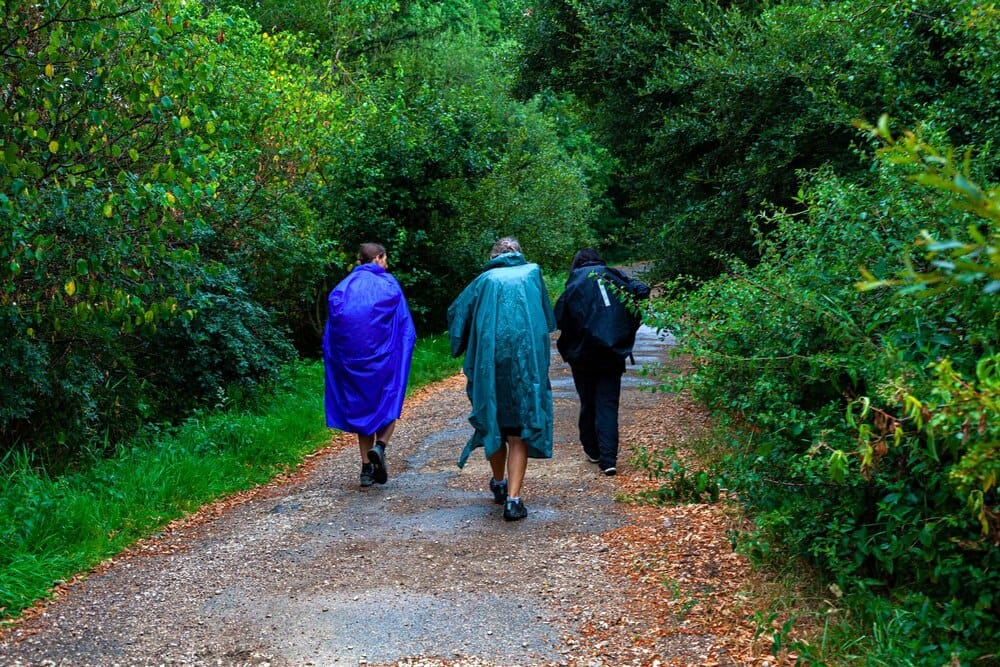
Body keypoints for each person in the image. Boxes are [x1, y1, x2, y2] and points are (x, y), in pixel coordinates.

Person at [447, 237, 556, 521]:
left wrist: (460, 344)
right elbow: (548, 320)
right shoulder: (533, 274)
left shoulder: (484, 281)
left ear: (493, 256)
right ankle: (513, 500)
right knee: (518, 431)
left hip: (490, 365)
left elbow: (457, 313)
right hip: (526, 366)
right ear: (519, 254)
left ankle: (498, 483)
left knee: (494, 423)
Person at [323, 242, 417, 487]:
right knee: (389, 402)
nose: (387, 263)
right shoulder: (388, 283)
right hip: (384, 359)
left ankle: (366, 468)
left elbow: (332, 330)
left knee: (362, 409)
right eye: (385, 259)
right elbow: (404, 324)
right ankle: (380, 446)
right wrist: (403, 349)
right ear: (378, 259)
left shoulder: (343, 287)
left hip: (352, 363)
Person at [554, 249, 650, 476]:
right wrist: (627, 329)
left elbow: (559, 319)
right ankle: (608, 460)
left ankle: (592, 450)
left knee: (588, 402)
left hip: (582, 355)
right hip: (612, 352)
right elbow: (641, 291)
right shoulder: (613, 275)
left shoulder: (574, 282)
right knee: (607, 404)